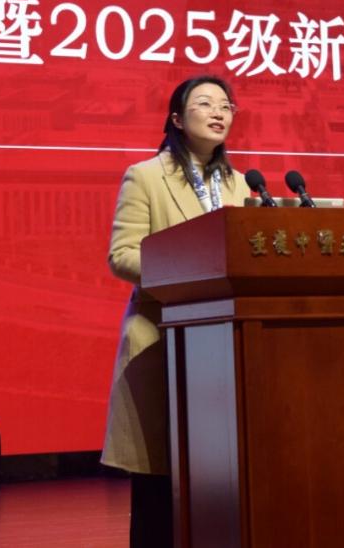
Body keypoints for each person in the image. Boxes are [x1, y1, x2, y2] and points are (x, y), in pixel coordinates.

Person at [101, 75, 247, 548]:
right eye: (205, 103)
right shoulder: (146, 176)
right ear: (177, 119)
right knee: (160, 485)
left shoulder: (241, 185)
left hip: (224, 350)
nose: (218, 112)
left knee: (218, 482)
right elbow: (123, 254)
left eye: (226, 105)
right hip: (163, 341)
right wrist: (191, 272)